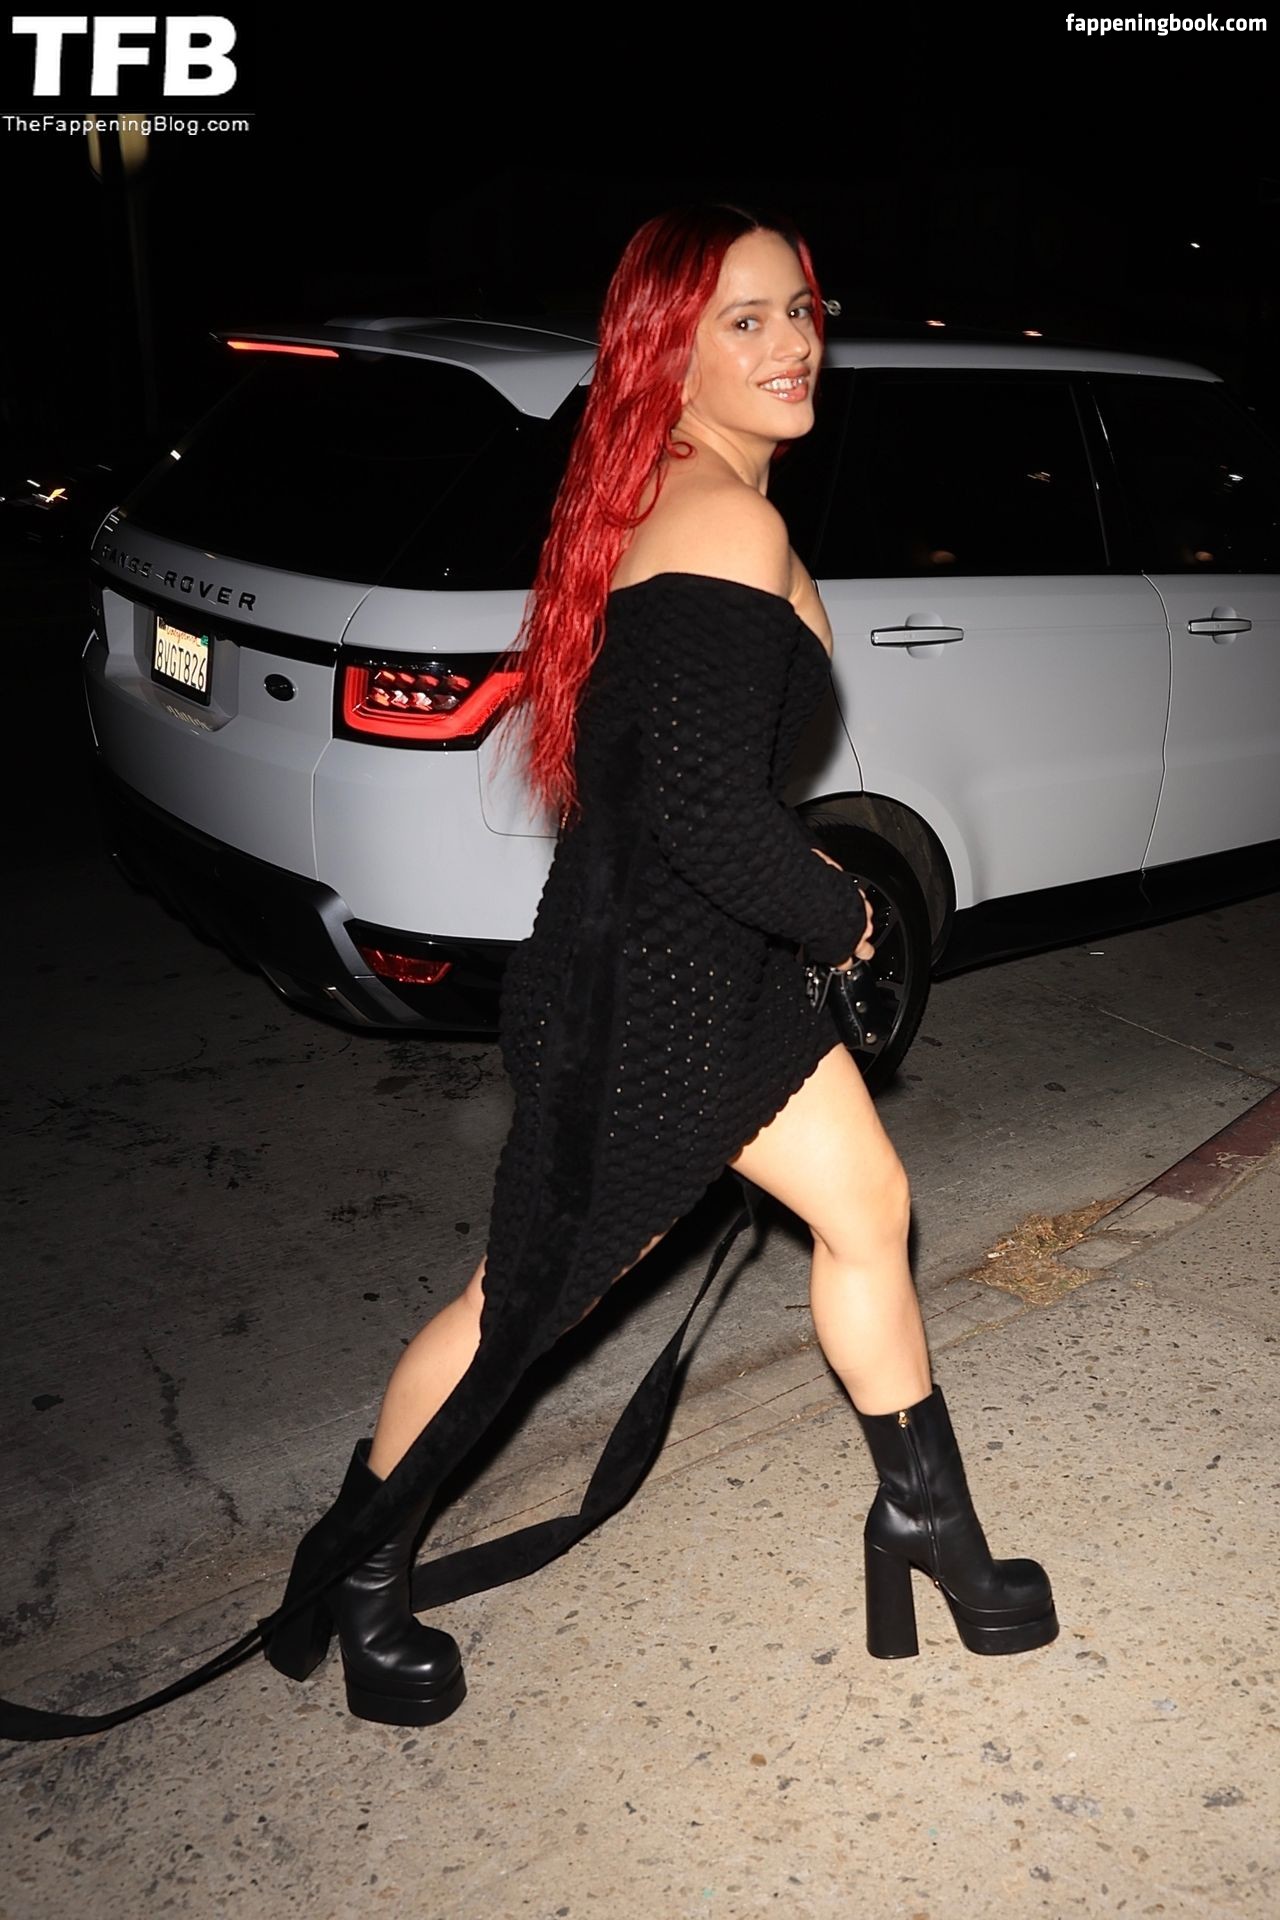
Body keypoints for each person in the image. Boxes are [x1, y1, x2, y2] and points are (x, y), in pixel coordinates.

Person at [0, 206, 1056, 1746]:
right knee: (522, 1309)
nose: (791, 344)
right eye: (745, 320)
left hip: (708, 974)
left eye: (801, 310)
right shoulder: (722, 521)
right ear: (665, 352)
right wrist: (844, 916)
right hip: (650, 999)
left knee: (867, 1208)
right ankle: (357, 1577)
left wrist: (795, 920)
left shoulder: (677, 497)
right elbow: (704, 816)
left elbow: (686, 796)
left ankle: (926, 1525)